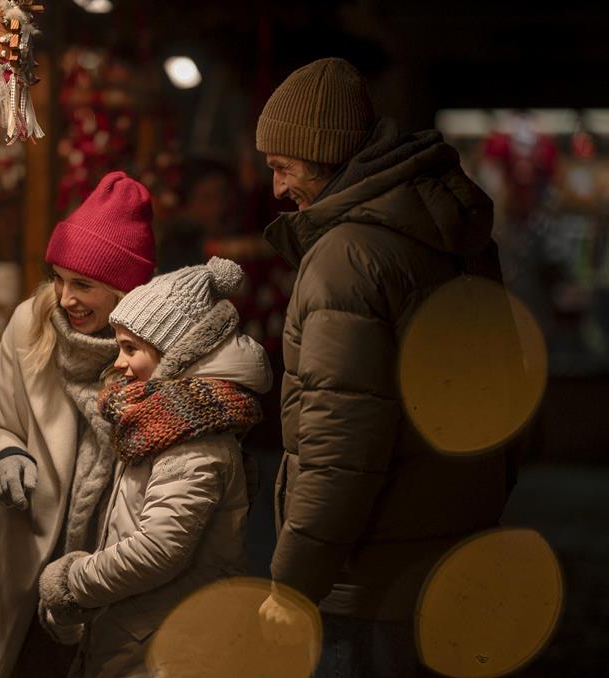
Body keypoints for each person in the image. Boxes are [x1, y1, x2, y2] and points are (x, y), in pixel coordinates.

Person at [254, 58, 515, 677]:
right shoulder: (450, 236)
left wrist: (293, 585)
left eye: (282, 167)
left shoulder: (347, 258)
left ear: (323, 158)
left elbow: (339, 451)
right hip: (454, 553)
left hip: (369, 585)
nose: (275, 189)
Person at [0, 171, 156, 678]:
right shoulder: (30, 322)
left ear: (124, 288)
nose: (64, 298)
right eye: (58, 278)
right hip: (19, 556)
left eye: (83, 284)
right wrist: (3, 453)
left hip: (105, 572)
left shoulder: (155, 353)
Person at [38, 257, 272, 677]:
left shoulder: (193, 436)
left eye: (131, 349)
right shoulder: (165, 422)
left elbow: (159, 549)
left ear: (177, 354)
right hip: (148, 629)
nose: (120, 363)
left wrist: (73, 583)